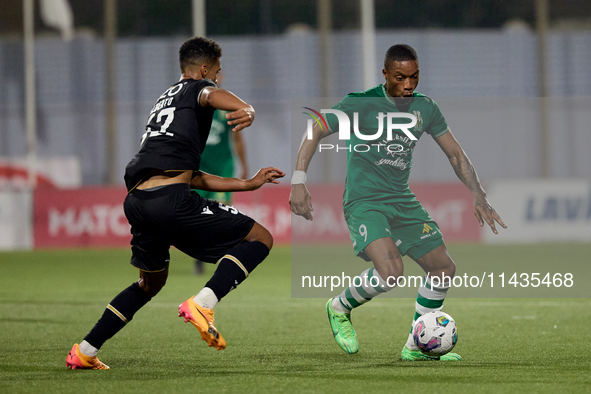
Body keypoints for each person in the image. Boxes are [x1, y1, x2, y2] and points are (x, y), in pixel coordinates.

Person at [66, 36, 284, 370]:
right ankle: (203, 303)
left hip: (138, 200)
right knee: (260, 238)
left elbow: (192, 176)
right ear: (203, 69)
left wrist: (247, 183)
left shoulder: (165, 102)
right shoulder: (197, 89)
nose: (218, 77)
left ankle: (85, 350)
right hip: (170, 201)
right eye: (217, 71)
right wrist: (247, 108)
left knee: (149, 283)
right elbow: (210, 93)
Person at [289, 44, 506, 361]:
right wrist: (298, 180)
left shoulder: (425, 108)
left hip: (401, 200)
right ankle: (338, 307)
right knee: (391, 271)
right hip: (365, 202)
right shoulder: (360, 104)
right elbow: (315, 130)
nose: (408, 85)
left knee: (443, 268)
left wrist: (478, 193)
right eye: (400, 77)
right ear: (385, 75)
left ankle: (416, 346)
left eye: (414, 77)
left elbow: (456, 154)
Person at [193, 71, 249, 275]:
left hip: (223, 166)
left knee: (222, 212)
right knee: (198, 215)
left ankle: (224, 256)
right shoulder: (194, 107)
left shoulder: (227, 107)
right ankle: (200, 257)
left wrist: (243, 164)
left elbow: (238, 139)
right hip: (199, 168)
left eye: (219, 73)